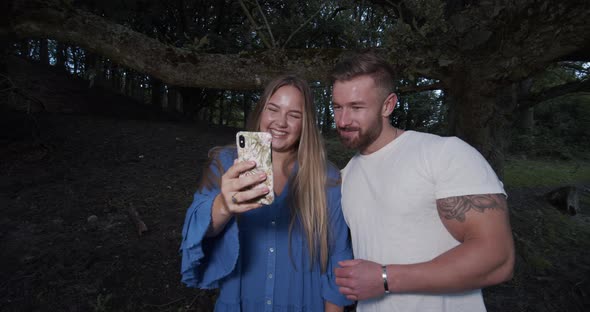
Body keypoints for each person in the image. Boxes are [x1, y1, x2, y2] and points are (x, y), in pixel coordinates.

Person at [330, 52, 515, 311]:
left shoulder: (443, 154)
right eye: (337, 107)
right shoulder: (346, 176)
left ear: (388, 105)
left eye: (356, 107)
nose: (343, 120)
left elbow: (498, 259)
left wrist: (385, 278)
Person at [180, 74, 353, 311]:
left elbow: (339, 259)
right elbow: (197, 230)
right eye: (273, 109)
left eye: (294, 115)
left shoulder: (327, 177)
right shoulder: (226, 163)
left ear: (306, 123)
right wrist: (224, 205)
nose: (281, 122)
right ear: (261, 112)